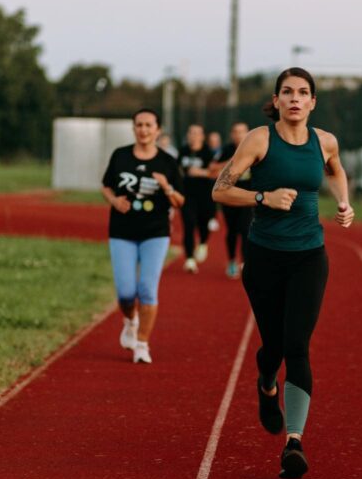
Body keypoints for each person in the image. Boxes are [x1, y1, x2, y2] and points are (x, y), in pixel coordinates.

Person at [212, 68, 354, 479]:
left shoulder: (324, 141)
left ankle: (294, 442)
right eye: (287, 92)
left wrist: (343, 203)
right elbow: (220, 189)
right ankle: (266, 383)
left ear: (312, 102)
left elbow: (335, 170)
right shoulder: (259, 139)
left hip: (310, 256)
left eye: (303, 92)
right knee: (272, 345)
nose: (295, 98)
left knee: (297, 344)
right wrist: (263, 196)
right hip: (265, 257)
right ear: (276, 100)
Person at [101, 108, 185, 364]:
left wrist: (166, 186)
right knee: (126, 293)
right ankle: (130, 320)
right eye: (139, 125)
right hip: (122, 232)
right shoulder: (121, 156)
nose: (144, 130)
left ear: (158, 130)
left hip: (155, 233)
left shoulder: (167, 163)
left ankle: (142, 344)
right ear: (133, 128)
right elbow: (105, 186)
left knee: (147, 289)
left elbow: (179, 201)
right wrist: (114, 200)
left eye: (149, 125)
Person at [209, 121, 252, 278]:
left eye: (242, 131)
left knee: (246, 228)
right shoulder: (226, 150)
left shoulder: (254, 148)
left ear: (248, 133)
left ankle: (245, 263)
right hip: (230, 196)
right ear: (231, 134)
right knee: (232, 230)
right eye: (236, 131)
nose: (239, 135)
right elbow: (212, 168)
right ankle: (232, 261)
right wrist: (233, 160)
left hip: (248, 196)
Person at [177, 124, 215, 273]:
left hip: (205, 195)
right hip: (187, 195)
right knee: (188, 225)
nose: (193, 136)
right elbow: (177, 169)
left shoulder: (208, 153)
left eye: (197, 133)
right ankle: (190, 259)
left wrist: (200, 172)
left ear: (202, 136)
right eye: (191, 133)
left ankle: (203, 242)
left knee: (203, 225)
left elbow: (216, 173)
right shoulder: (183, 151)